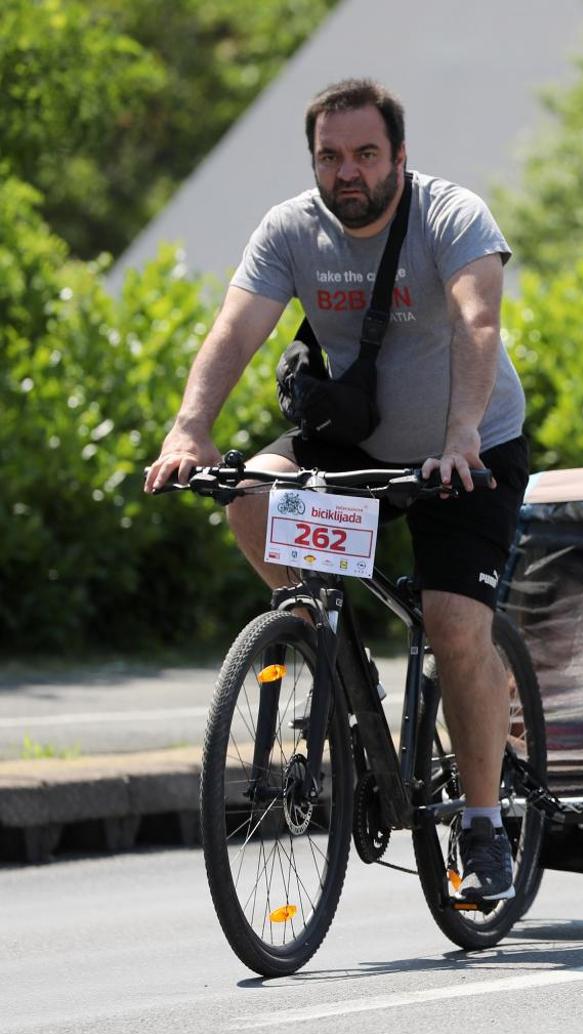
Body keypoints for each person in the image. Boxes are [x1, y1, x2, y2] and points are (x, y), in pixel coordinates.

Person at [143, 78, 530, 901]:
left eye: (364, 154)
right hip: (353, 445)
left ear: (398, 156)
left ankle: (485, 824)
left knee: (453, 625)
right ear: (313, 160)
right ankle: (322, 634)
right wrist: (190, 429)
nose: (346, 172)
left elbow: (477, 323)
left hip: (464, 453)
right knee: (248, 492)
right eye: (330, 156)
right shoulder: (292, 229)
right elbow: (235, 328)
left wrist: (462, 432)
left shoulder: (452, 216)